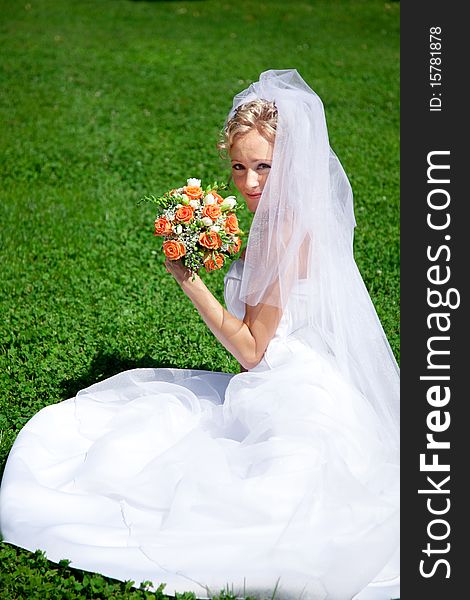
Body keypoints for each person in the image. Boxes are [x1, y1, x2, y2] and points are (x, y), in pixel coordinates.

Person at [0, 70, 399, 600]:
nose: (250, 183)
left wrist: (187, 277)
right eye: (239, 167)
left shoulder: (282, 230)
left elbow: (253, 350)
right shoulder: (291, 216)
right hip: (312, 377)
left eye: (264, 167)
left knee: (206, 494)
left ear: (291, 165)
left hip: (291, 390)